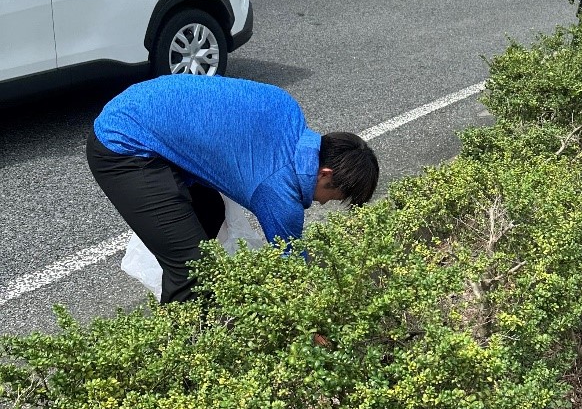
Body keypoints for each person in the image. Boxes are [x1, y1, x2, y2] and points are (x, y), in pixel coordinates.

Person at [87, 74, 380, 304]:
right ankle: (181, 359)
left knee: (211, 215)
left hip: (142, 105)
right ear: (324, 173)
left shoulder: (288, 107)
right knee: (193, 270)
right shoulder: (281, 191)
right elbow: (295, 272)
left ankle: (185, 302)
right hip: (124, 144)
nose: (324, 204)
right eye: (332, 197)